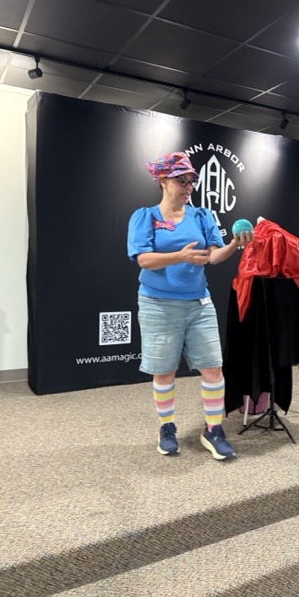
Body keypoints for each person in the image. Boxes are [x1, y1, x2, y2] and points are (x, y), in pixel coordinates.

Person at [127, 151, 253, 460]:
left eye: (192, 181)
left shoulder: (202, 216)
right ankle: (167, 428)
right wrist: (179, 256)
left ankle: (213, 430)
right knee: (164, 372)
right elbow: (144, 260)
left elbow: (213, 256)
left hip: (199, 304)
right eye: (181, 181)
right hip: (158, 304)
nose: (188, 187)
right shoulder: (145, 216)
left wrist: (234, 244)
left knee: (213, 369)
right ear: (163, 181)